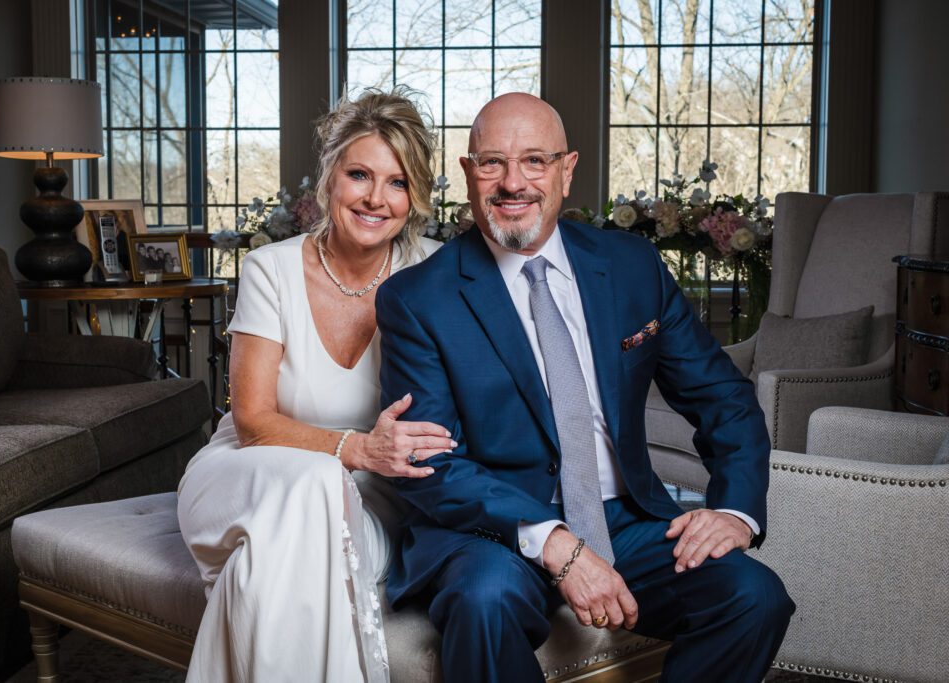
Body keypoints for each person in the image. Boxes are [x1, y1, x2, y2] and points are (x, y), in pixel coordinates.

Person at [375, 92, 794, 682]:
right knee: (484, 602)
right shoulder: (418, 299)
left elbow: (723, 397)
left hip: (625, 519)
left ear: (567, 171)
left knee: (754, 596)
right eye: (491, 162)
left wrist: (732, 509)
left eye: (534, 162)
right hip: (494, 530)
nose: (512, 183)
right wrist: (554, 543)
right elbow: (431, 460)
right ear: (469, 174)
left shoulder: (631, 266)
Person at [176, 89, 451, 683]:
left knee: (265, 561)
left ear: (416, 196)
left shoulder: (436, 273)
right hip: (251, 469)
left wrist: (367, 462)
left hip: (372, 498)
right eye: (359, 174)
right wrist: (354, 448)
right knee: (317, 479)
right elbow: (251, 421)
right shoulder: (269, 269)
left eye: (398, 182)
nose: (376, 198)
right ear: (329, 179)